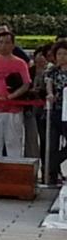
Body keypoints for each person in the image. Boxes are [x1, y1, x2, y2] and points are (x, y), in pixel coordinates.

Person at [0, 31, 31, 159]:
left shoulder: (21, 63)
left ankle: (14, 168)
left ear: (13, 45)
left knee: (14, 143)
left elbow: (26, 84)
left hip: (14, 109)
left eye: (7, 42)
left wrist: (11, 96)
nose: (3, 46)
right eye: (1, 42)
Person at [43, 43, 67, 186]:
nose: (62, 57)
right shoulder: (52, 71)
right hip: (56, 111)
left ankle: (54, 162)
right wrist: (50, 94)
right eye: (59, 54)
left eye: (65, 54)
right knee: (52, 144)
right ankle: (51, 174)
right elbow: (49, 85)